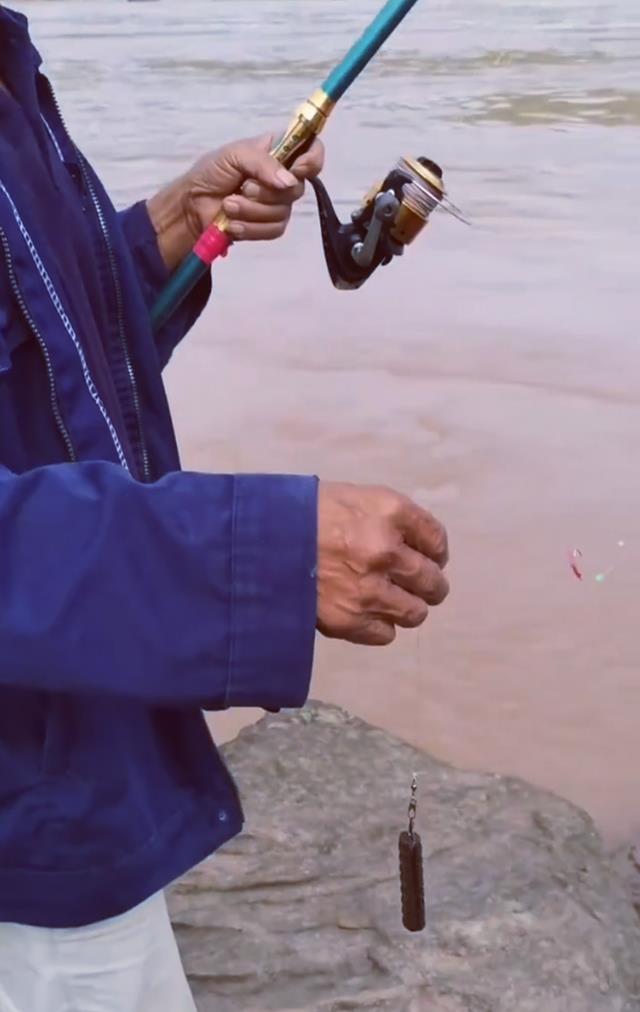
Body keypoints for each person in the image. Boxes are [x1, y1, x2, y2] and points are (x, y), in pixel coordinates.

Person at [0, 5, 450, 1011]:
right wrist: (262, 557)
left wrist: (164, 231)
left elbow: (39, 375)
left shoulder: (6, 60)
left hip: (78, 772)